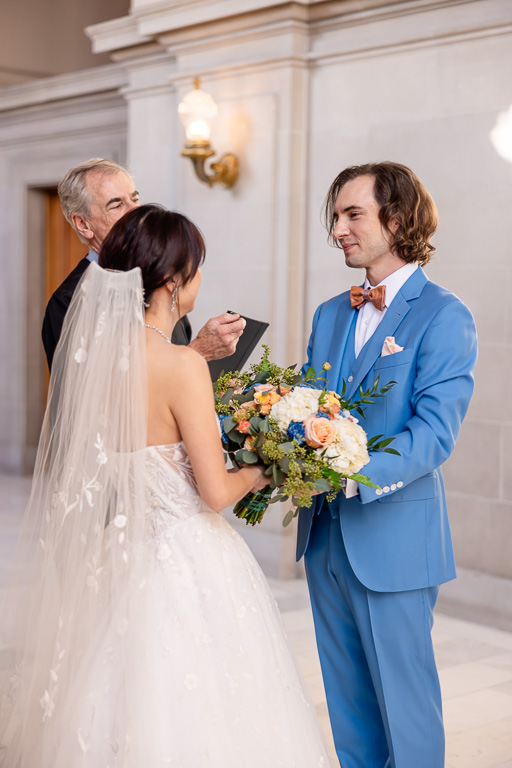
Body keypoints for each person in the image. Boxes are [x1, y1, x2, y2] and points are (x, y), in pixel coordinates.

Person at [0, 204, 331, 768]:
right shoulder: (181, 364)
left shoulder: (96, 361)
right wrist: (282, 458)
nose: (201, 277)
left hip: (126, 552)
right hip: (188, 554)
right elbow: (216, 493)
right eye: (197, 266)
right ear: (174, 281)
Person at [297, 162, 477, 768]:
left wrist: (353, 474)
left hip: (395, 539)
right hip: (324, 540)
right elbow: (309, 405)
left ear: (396, 220)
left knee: (406, 708)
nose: (338, 230)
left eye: (353, 214)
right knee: (348, 706)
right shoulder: (330, 313)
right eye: (336, 216)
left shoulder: (444, 314)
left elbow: (434, 432)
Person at [42, 158, 245, 370]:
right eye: (117, 205)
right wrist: (198, 352)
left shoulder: (158, 276)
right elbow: (89, 388)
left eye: (135, 199)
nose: (136, 211)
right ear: (83, 224)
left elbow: (175, 353)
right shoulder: (68, 300)